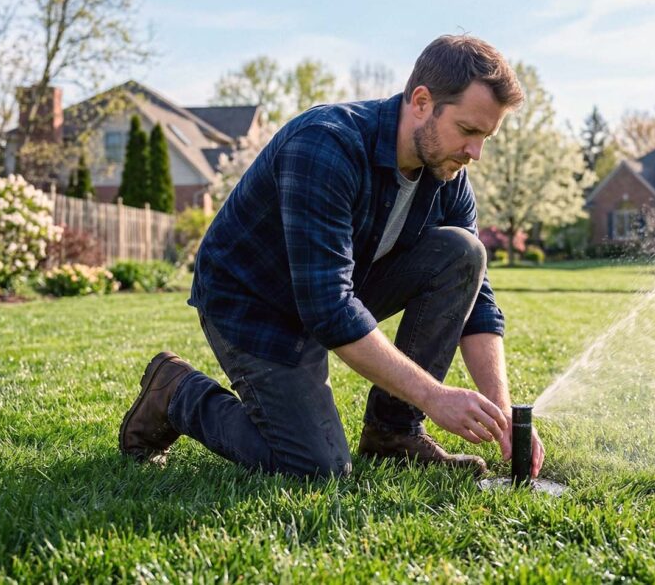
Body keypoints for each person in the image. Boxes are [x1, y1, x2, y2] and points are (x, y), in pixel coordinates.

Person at [118, 35, 545, 479]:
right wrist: (434, 395)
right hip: (253, 305)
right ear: (421, 102)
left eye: (485, 137)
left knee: (463, 252)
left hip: (330, 294)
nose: (475, 153)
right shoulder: (325, 145)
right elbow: (329, 308)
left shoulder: (447, 174)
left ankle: (394, 434)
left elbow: (476, 299)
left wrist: (503, 415)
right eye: (469, 131)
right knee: (316, 468)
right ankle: (176, 393)